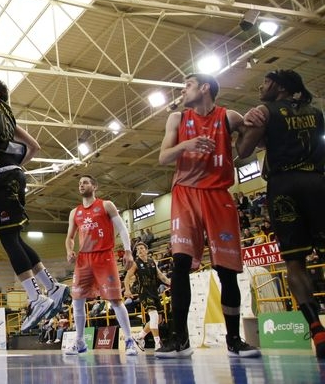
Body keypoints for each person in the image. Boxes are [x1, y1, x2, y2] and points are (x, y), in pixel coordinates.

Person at [156, 73, 260, 358]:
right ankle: (180, 338)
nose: (183, 90)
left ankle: (234, 340)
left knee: (226, 270)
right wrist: (186, 146)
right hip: (185, 193)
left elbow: (251, 144)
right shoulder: (177, 119)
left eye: (187, 85)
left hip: (218, 194)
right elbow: (163, 157)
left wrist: (258, 120)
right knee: (179, 263)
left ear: (204, 88)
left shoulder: (230, 117)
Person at [0, 75, 67, 332]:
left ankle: (35, 297)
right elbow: (34, 146)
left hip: (3, 178)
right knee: (16, 238)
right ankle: (52, 286)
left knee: (9, 240)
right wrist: (16, 166)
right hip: (14, 176)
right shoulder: (8, 121)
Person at [237, 69, 325, 358]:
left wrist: (243, 127)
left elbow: (244, 150)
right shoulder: (316, 112)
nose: (260, 87)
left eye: (264, 82)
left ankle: (317, 331)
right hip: (317, 182)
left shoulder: (266, 111)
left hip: (284, 186)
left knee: (295, 262)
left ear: (276, 85)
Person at [64, 174, 138, 356]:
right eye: (80, 183)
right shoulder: (75, 212)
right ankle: (80, 341)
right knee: (77, 300)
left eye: (85, 182)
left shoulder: (106, 205)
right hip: (84, 260)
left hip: (104, 257)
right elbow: (69, 237)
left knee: (115, 300)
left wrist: (128, 251)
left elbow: (121, 228)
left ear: (94, 186)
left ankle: (129, 340)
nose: (81, 185)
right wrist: (69, 250)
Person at [124, 241, 172, 350]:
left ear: (146, 250)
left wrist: (170, 282)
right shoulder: (135, 263)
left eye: (142, 248)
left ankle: (140, 337)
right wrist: (127, 290)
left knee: (158, 319)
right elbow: (127, 277)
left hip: (154, 292)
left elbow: (161, 276)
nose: (140, 250)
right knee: (154, 316)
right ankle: (158, 344)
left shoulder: (152, 262)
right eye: (138, 249)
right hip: (144, 292)